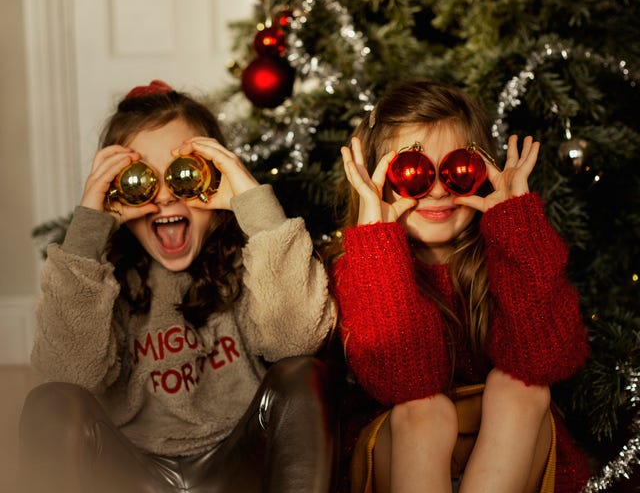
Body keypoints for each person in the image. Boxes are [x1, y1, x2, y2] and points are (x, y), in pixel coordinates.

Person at [20, 80, 338, 493]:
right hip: (130, 473)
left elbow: (297, 342)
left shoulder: (253, 262)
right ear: (115, 192)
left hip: (238, 464)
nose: (166, 197)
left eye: (184, 175)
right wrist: (85, 236)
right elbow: (64, 373)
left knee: (303, 375)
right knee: (52, 401)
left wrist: (255, 207)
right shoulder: (100, 281)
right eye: (141, 181)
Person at [329, 80, 591, 493]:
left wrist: (515, 223)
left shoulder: (506, 251)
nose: (436, 190)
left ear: (483, 172)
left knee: (522, 387)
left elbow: (550, 359)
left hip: (510, 455)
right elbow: (404, 383)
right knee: (423, 411)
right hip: (404, 454)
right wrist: (378, 240)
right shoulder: (361, 266)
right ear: (378, 180)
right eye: (412, 173)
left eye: (456, 171)